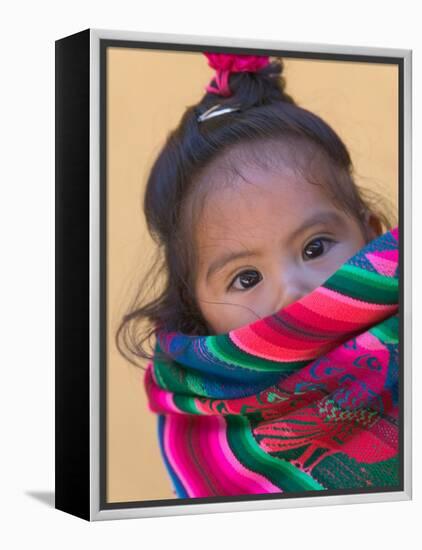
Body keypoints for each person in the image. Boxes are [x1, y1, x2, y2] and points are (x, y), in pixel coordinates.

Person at [116, 53, 399, 498]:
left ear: (373, 235)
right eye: (246, 279)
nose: (293, 291)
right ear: (198, 311)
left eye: (315, 247)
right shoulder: (207, 432)